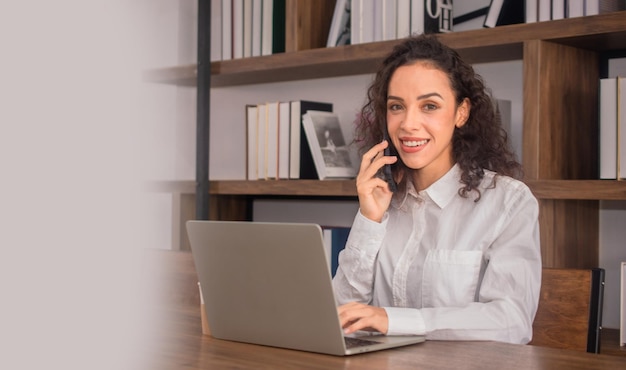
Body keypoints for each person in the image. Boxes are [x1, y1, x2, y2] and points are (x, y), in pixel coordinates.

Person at [332, 34, 541, 344]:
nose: (408, 124)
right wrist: (368, 219)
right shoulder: (382, 198)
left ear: (461, 112)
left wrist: (394, 320)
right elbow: (341, 312)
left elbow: (511, 322)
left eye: (429, 106)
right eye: (396, 106)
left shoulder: (508, 201)